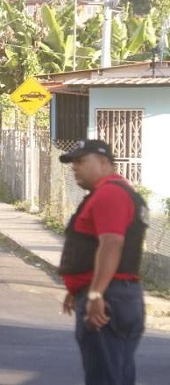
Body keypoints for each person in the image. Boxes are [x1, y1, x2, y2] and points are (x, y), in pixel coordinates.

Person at [58, 139, 148, 385]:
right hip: (116, 294)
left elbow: (111, 244)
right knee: (116, 374)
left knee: (105, 377)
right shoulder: (114, 192)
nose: (75, 167)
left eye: (81, 161)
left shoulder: (110, 194)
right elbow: (92, 246)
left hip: (110, 297)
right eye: (73, 162)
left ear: (104, 163)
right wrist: (79, 288)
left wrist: (96, 293)